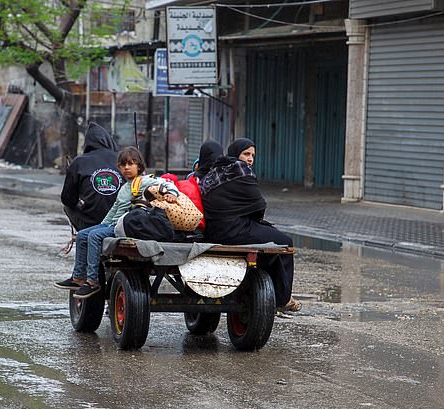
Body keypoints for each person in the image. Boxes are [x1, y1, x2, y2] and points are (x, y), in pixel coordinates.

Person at [61, 146, 179, 299]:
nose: (126, 168)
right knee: (83, 235)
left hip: (125, 227)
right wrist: (101, 225)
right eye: (123, 165)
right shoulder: (125, 186)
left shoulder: (143, 181)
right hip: (112, 224)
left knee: (94, 237)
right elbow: (114, 210)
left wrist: (172, 194)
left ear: (139, 166)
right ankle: (78, 278)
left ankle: (92, 282)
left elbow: (166, 183)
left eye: (131, 164)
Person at [200, 137, 299, 311]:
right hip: (236, 231)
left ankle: (263, 289)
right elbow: (259, 206)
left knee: (270, 234)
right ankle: (282, 299)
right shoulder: (241, 170)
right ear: (235, 154)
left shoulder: (213, 173)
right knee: (284, 242)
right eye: (246, 153)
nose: (250, 159)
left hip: (212, 232)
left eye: (253, 155)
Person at [60, 121, 123, 231]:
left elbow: (67, 200)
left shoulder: (79, 162)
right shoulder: (123, 160)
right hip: (120, 221)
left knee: (68, 208)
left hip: (90, 223)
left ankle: (85, 233)